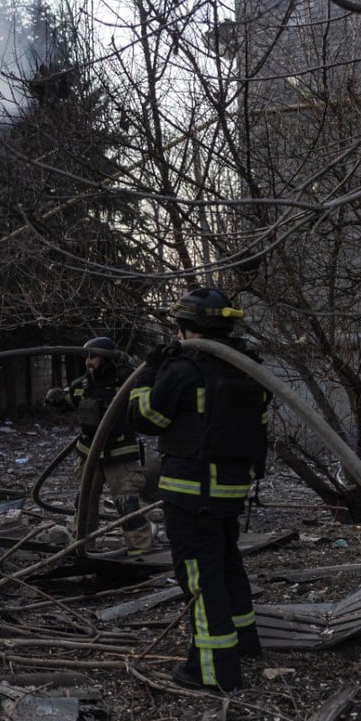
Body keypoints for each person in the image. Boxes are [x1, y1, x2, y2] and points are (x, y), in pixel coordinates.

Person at [128, 288, 271, 692]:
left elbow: (148, 418)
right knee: (226, 564)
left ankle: (212, 670)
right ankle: (244, 644)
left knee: (199, 576)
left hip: (190, 492)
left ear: (188, 328)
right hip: (230, 489)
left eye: (177, 328)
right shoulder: (247, 367)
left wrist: (149, 376)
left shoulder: (184, 367)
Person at [45, 337, 154, 556]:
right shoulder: (84, 384)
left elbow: (148, 389)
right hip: (89, 456)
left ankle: (140, 552)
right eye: (86, 357)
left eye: (93, 357)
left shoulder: (127, 382)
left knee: (127, 505)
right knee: (84, 505)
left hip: (120, 455)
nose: (88, 362)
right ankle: (81, 549)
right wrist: (56, 399)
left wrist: (132, 370)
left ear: (107, 358)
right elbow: (67, 401)